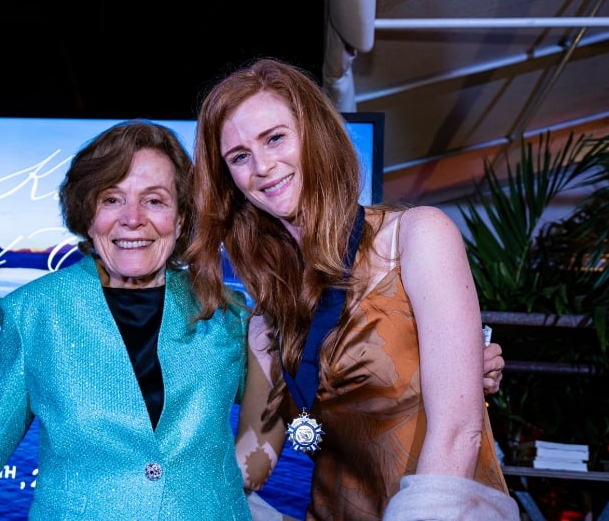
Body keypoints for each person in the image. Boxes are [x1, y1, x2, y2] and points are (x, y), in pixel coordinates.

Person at [187, 57, 520, 520]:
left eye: (275, 138)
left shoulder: (417, 238)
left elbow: (457, 433)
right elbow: (255, 456)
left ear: (316, 134)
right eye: (239, 157)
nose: (262, 166)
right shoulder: (269, 316)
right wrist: (154, 474)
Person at [0, 120, 253, 519]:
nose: (132, 218)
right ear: (87, 214)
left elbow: (282, 408)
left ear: (181, 217)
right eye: (111, 199)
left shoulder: (227, 311)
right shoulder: (35, 312)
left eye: (154, 201)